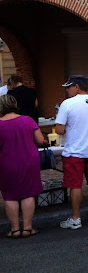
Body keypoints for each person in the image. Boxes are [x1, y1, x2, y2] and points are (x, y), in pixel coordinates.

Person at [56, 75, 88, 229]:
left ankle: (75, 218)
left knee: (75, 185)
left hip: (74, 152)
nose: (67, 90)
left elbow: (59, 129)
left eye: (69, 87)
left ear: (77, 87)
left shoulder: (67, 104)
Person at [0, 94, 44, 237]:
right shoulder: (27, 120)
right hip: (28, 160)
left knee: (9, 195)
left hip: (6, 162)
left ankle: (14, 229)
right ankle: (27, 228)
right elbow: (40, 140)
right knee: (28, 193)